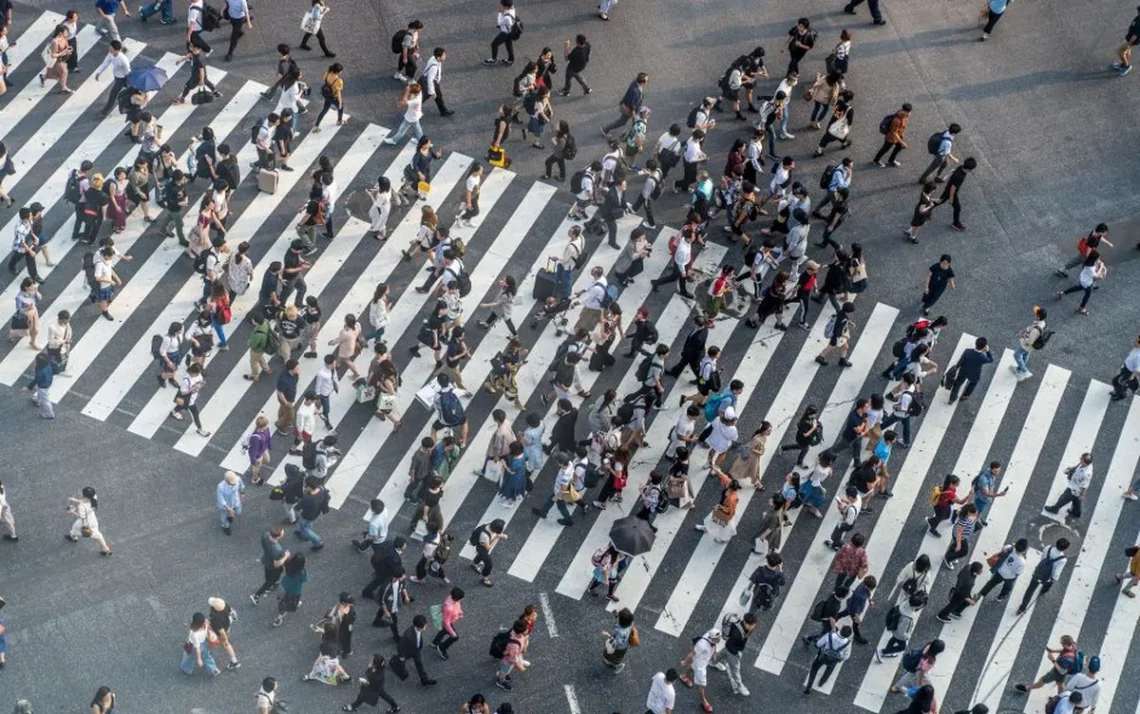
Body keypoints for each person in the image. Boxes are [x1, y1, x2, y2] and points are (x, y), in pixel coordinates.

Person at [1013, 634, 1081, 696]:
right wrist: (1054, 651)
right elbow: (1064, 650)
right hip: (1066, 669)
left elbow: (1062, 671)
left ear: (1066, 645)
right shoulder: (1073, 646)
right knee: (1060, 683)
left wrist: (1052, 660)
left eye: (1062, 643)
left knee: (1042, 680)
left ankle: (1027, 688)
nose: (1060, 644)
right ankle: (1061, 697)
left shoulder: (1067, 659)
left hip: (1057, 672)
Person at [1017, 538, 1070, 615]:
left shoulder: (1048, 548)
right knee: (1048, 584)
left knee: (1030, 590)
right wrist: (1053, 579)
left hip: (1039, 572)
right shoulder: (1062, 559)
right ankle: (1043, 591)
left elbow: (1042, 557)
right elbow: (1056, 572)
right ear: (1065, 548)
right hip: (1048, 577)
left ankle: (1022, 607)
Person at [679, 628, 721, 712]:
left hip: (702, 660)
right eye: (717, 639)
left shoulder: (711, 635)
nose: (719, 639)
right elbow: (692, 653)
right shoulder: (702, 645)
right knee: (702, 685)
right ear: (712, 638)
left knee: (692, 666)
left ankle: (683, 676)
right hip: (700, 666)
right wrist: (685, 661)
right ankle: (704, 702)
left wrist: (714, 653)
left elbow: (714, 644)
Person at [976, 538, 1029, 602]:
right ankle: (1000, 597)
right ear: (1024, 550)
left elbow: (1002, 552)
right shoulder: (1022, 562)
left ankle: (981, 594)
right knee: (1007, 587)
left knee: (991, 583)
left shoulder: (1008, 547)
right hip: (1010, 576)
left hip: (1000, 571)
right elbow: (1017, 572)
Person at [805, 625, 853, 694]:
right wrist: (840, 659)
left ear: (841, 629)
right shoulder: (848, 643)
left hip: (823, 656)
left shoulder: (830, 635)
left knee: (814, 669)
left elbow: (819, 644)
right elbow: (846, 656)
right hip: (834, 660)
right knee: (829, 670)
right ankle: (821, 682)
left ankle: (809, 686)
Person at [64, 486, 112, 555]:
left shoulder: (81, 506)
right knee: (97, 534)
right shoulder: (94, 498)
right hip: (92, 519)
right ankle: (105, 548)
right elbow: (87, 500)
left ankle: (73, 537)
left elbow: (82, 517)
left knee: (75, 527)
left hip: (85, 522)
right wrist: (76, 500)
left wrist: (72, 512)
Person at [1044, 453, 1092, 520]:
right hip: (1074, 484)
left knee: (1063, 498)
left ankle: (1055, 509)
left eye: (1081, 459)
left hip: (1075, 488)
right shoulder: (1083, 464)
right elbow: (1076, 468)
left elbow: (1084, 486)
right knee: (1076, 500)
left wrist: (1082, 495)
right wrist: (1070, 471)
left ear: (1085, 462)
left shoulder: (1087, 474)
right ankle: (1076, 512)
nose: (1080, 459)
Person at [947, 336, 993, 404]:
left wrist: (956, 368)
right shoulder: (983, 358)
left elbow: (960, 361)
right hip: (974, 373)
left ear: (975, 343)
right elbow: (991, 359)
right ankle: (966, 395)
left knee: (957, 384)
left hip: (963, 371)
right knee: (973, 382)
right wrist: (988, 351)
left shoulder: (967, 351)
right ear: (984, 347)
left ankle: (952, 399)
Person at [179, 612, 219, 677]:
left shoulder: (194, 633)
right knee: (207, 657)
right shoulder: (205, 623)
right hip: (204, 643)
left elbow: (197, 648)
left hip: (194, 646)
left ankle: (186, 669)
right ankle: (213, 669)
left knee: (189, 657)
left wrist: (199, 659)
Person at [274, 552, 309, 627]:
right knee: (288, 604)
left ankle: (281, 615)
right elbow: (305, 579)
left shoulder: (288, 564)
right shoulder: (302, 573)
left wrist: (287, 556)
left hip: (284, 585)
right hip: (294, 591)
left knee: (283, 599)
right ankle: (279, 617)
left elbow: (286, 561)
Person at [206, 597, 240, 670]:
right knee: (224, 642)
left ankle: (206, 652)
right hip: (227, 627)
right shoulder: (225, 606)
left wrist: (225, 640)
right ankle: (234, 661)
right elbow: (233, 614)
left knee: (223, 643)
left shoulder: (216, 618)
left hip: (218, 632)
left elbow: (221, 632)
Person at [215, 470, 245, 536]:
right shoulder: (220, 487)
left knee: (238, 512)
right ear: (226, 480)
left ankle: (231, 517)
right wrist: (228, 508)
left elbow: (241, 486)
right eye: (232, 483)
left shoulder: (238, 479)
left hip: (236, 502)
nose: (234, 484)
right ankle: (225, 526)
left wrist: (243, 493)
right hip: (226, 506)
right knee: (224, 517)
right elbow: (221, 499)